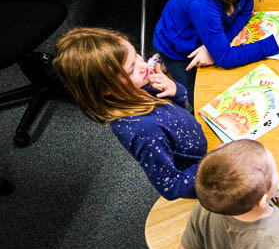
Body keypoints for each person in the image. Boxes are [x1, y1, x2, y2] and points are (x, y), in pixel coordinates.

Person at [53, 27, 206, 200]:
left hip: (204, 149)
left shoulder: (138, 86)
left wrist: (174, 89)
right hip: (205, 175)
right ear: (105, 89)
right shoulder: (143, 131)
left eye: (136, 56)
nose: (142, 66)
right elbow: (172, 187)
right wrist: (212, 162)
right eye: (131, 69)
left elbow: (179, 107)